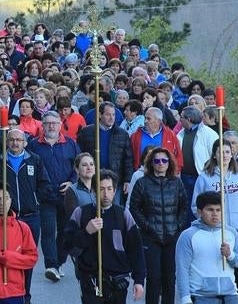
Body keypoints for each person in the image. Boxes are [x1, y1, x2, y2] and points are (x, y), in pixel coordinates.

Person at [0, 128, 51, 302]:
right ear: (7, 142)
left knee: (26, 259)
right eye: (12, 140)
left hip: (31, 217)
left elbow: (45, 184)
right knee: (6, 256)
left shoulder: (35, 160)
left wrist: (36, 200)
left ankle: (25, 295)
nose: (15, 143)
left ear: (25, 142)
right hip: (7, 218)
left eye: (19, 140)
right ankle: (6, 292)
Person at [64, 169, 146, 304]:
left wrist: (139, 281)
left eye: (109, 189)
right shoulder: (81, 213)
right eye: (101, 189)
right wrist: (86, 232)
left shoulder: (123, 215)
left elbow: (136, 249)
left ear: (114, 191)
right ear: (94, 191)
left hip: (118, 280)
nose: (106, 194)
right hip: (90, 280)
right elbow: (69, 247)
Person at [192, 139, 238, 304]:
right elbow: (195, 206)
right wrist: (208, 224)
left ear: (232, 154)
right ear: (214, 154)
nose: (225, 155)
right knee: (218, 272)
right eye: (221, 152)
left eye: (227, 152)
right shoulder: (205, 178)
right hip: (215, 233)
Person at [129, 147, 188, 304]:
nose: (160, 163)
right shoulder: (142, 183)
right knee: (154, 277)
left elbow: (184, 207)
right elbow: (134, 208)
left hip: (171, 236)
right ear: (151, 163)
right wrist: (146, 226)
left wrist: (177, 226)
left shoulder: (177, 183)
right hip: (151, 237)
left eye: (164, 160)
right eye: (157, 161)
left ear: (169, 163)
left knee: (169, 277)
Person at [27, 111, 80, 282]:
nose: (51, 126)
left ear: (60, 125)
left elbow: (79, 166)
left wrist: (72, 182)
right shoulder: (34, 145)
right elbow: (30, 169)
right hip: (45, 197)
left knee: (65, 231)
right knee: (48, 231)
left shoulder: (70, 144)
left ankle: (59, 262)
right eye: (48, 123)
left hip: (67, 196)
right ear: (42, 125)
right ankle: (51, 265)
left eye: (54, 123)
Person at [176, 191, 238, 304]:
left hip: (231, 296)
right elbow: (182, 270)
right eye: (210, 210)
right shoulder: (188, 236)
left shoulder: (231, 232)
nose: (215, 214)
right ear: (199, 212)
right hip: (201, 297)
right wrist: (185, 299)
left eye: (218, 210)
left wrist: (230, 255)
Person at [78, 102, 134, 205]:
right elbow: (80, 155)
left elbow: (128, 159)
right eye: (108, 114)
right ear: (100, 115)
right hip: (92, 180)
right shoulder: (87, 132)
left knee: (114, 211)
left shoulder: (122, 134)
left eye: (113, 115)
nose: (111, 118)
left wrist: (127, 180)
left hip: (115, 181)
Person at [177, 106, 218, 225]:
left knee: (203, 205)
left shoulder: (209, 134)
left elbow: (216, 154)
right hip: (184, 177)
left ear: (189, 119)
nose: (180, 120)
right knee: (186, 206)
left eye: (182, 117)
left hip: (202, 176)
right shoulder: (181, 134)